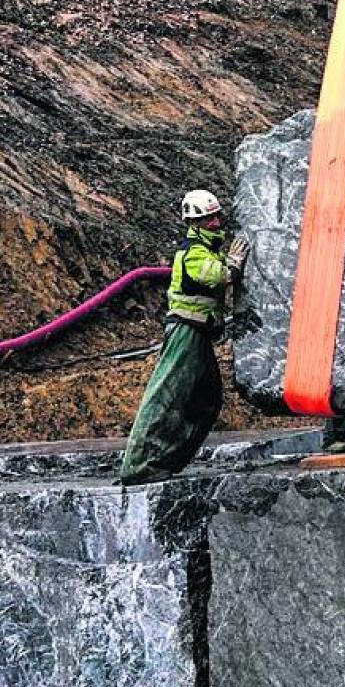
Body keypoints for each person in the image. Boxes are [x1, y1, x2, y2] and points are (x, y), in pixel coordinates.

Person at [119, 189, 248, 486]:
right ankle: (139, 466)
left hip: (200, 332)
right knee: (166, 395)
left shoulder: (207, 248)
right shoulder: (193, 252)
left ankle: (168, 461)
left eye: (216, 216)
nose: (215, 223)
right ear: (195, 222)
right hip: (186, 331)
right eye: (208, 219)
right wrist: (234, 263)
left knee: (207, 401)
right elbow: (218, 276)